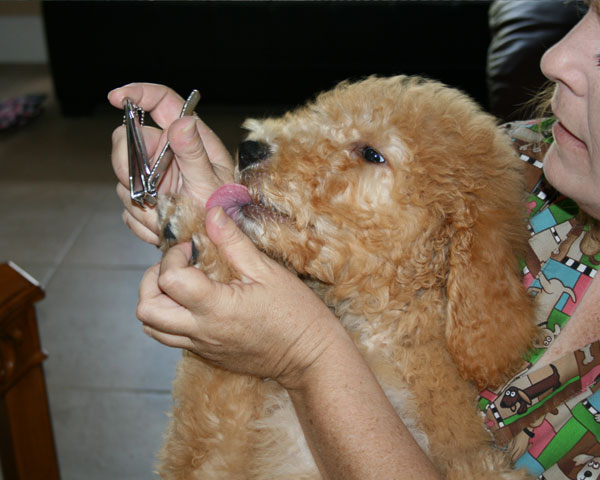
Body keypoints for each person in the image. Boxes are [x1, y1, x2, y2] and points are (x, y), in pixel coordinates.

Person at [108, 2, 600, 477]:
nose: (553, 59)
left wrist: (307, 356)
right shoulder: (524, 157)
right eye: (587, 13)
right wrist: (226, 215)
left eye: (368, 155)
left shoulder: (475, 198)